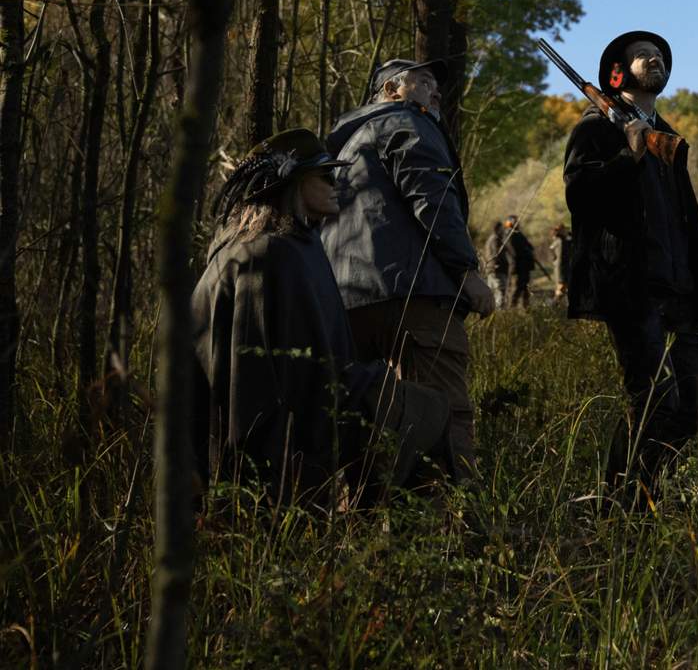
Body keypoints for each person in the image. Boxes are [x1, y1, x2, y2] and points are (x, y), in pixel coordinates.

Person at [192, 129, 453, 503]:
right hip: (277, 438)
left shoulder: (291, 245)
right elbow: (275, 379)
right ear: (292, 182)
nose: (335, 182)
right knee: (428, 415)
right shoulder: (267, 254)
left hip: (318, 404)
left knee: (427, 411)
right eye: (323, 175)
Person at [562, 27, 698, 500]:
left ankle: (647, 489)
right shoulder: (595, 128)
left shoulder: (667, 138)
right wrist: (626, 158)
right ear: (618, 74)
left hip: (680, 288)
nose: (653, 59)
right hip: (633, 288)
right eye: (641, 56)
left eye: (658, 55)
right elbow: (579, 195)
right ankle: (620, 499)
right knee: (653, 399)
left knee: (692, 407)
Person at [322, 58, 494, 481]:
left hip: (343, 304)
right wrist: (466, 271)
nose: (435, 92)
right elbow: (430, 196)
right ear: (392, 91)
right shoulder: (406, 121)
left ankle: (364, 530)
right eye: (424, 82)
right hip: (413, 296)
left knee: (363, 423)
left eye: (437, 83)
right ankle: (454, 530)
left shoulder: (342, 147)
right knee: (442, 413)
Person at [505, 215, 537, 310]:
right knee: (515, 289)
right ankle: (511, 310)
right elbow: (513, 252)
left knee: (526, 289)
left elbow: (530, 247)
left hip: (524, 267)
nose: (517, 223)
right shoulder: (508, 235)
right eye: (515, 221)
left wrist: (527, 251)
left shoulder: (519, 234)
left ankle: (526, 309)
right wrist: (525, 251)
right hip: (516, 268)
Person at [483, 220, 511, 306]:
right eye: (501, 228)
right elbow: (497, 254)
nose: (503, 230)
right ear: (498, 228)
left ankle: (494, 317)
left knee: (493, 294)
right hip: (497, 270)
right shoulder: (496, 239)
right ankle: (499, 315)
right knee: (500, 293)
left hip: (491, 269)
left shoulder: (490, 239)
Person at [549, 225, 573, 300]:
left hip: (565, 267)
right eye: (564, 230)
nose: (566, 231)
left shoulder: (563, 240)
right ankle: (554, 306)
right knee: (560, 288)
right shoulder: (559, 240)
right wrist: (554, 260)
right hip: (560, 268)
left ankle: (557, 306)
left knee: (564, 287)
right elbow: (552, 250)